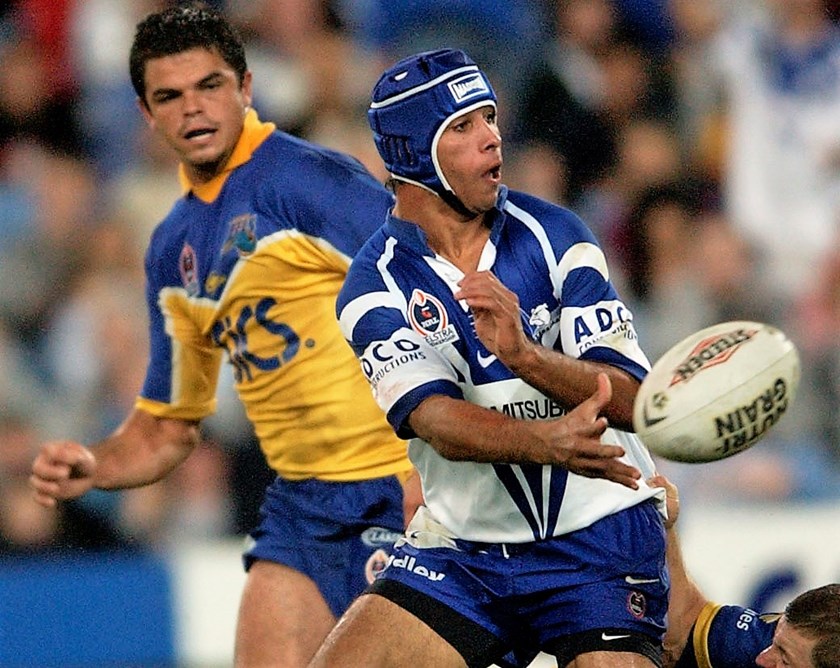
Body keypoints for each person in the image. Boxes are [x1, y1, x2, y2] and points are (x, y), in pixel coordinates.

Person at [28, 4, 420, 667]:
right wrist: (95, 465)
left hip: (403, 486)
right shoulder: (172, 248)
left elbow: (436, 295)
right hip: (302, 506)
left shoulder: (311, 183)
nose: (192, 109)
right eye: (169, 97)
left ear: (245, 87)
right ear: (147, 117)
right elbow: (166, 429)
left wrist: (432, 463)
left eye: (209, 86)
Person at [311, 48, 668, 668]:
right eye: (463, 127)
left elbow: (636, 399)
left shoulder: (558, 236)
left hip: (598, 539)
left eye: (491, 118)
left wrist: (524, 355)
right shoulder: (375, 285)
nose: (492, 140)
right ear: (411, 155)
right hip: (464, 553)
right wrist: (545, 441)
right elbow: (436, 422)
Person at [653, 475, 840, 668]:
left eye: (785, 660)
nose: (762, 659)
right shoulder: (766, 644)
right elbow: (684, 623)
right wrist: (663, 523)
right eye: (775, 644)